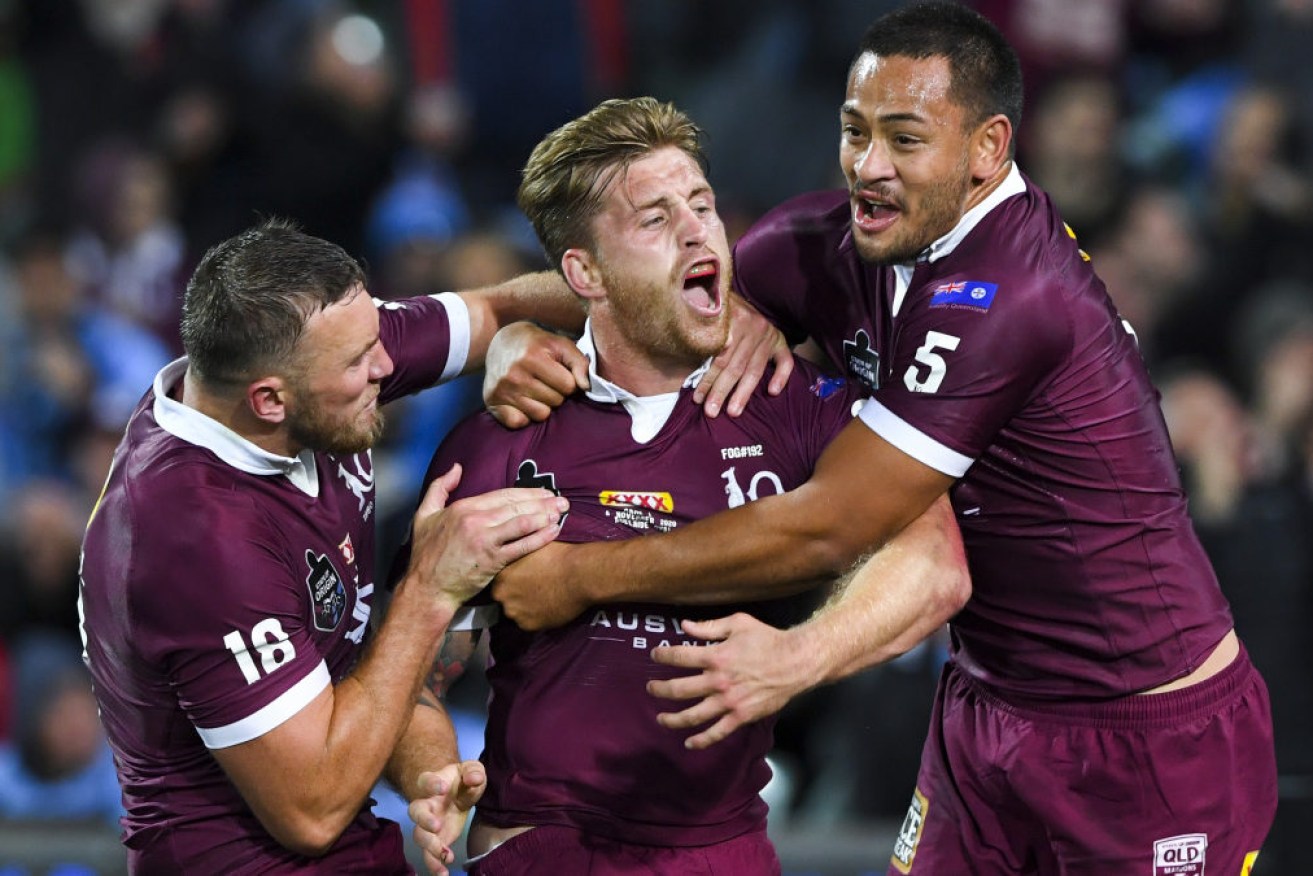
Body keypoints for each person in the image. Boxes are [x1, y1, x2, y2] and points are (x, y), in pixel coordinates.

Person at [482, 3, 1278, 874]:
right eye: (853, 132)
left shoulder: (1014, 296)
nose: (867, 167)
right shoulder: (830, 242)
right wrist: (499, 325)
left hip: (1150, 737)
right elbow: (644, 289)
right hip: (987, 709)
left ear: (986, 149)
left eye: (904, 139)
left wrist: (577, 579)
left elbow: (832, 525)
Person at [401, 96, 966, 875]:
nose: (699, 228)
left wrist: (798, 655)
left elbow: (934, 566)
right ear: (582, 274)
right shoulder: (503, 436)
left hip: (718, 848)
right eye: (656, 219)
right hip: (541, 842)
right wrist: (431, 771)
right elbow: (420, 671)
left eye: (700, 204)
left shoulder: (798, 408)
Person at [76, 218, 579, 874]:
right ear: (268, 402)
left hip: (355, 844)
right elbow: (310, 813)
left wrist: (512, 343)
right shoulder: (194, 535)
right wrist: (430, 587)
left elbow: (497, 306)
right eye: (359, 362)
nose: (388, 366)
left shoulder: (319, 348)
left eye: (375, 335)